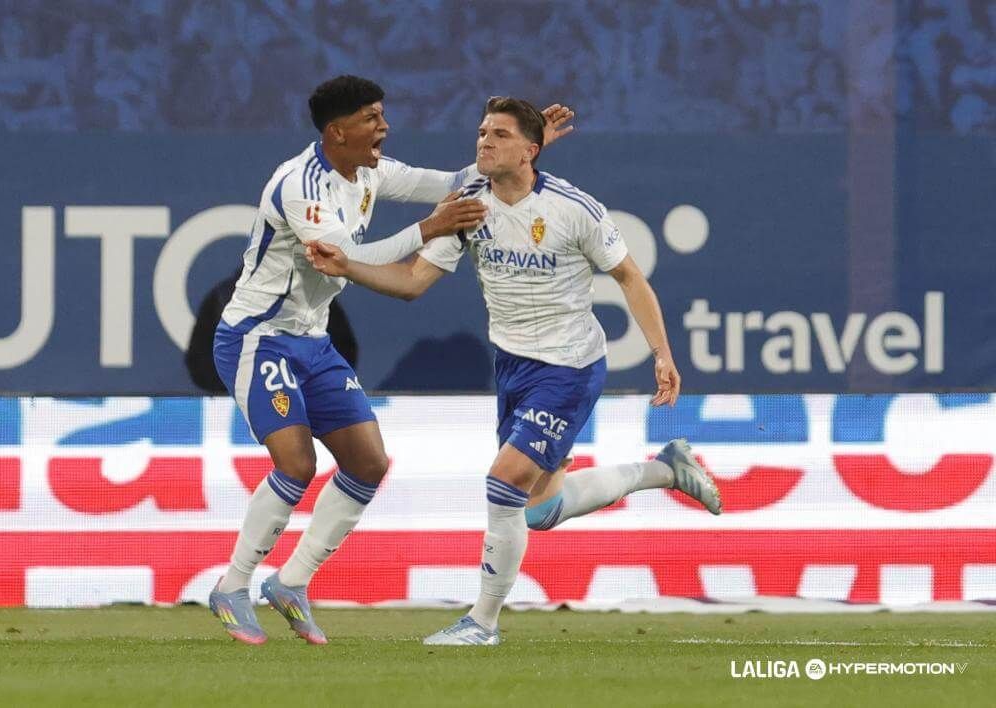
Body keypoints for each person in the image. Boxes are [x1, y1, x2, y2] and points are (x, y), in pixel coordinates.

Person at [306, 97, 721, 646]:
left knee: (503, 482)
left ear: (530, 150)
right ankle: (666, 470)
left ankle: (482, 623)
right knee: (539, 510)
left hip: (569, 366)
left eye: (499, 134)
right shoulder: (468, 207)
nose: (484, 141)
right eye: (482, 132)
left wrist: (662, 354)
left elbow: (629, 276)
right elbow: (411, 283)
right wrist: (348, 267)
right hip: (512, 366)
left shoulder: (575, 208)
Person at [207, 76, 574, 645]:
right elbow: (346, 258)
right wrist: (430, 228)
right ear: (338, 131)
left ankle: (292, 582)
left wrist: (527, 147)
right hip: (259, 336)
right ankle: (232, 585)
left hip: (313, 339)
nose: (385, 126)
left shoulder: (371, 173)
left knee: (368, 463)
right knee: (296, 464)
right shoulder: (300, 185)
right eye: (372, 118)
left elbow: (454, 182)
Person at [184, 270, 357, 393]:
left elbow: (343, 349)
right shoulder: (222, 297)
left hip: (304, 405)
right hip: (238, 408)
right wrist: (236, 390)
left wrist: (309, 386)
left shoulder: (313, 296)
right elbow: (199, 359)